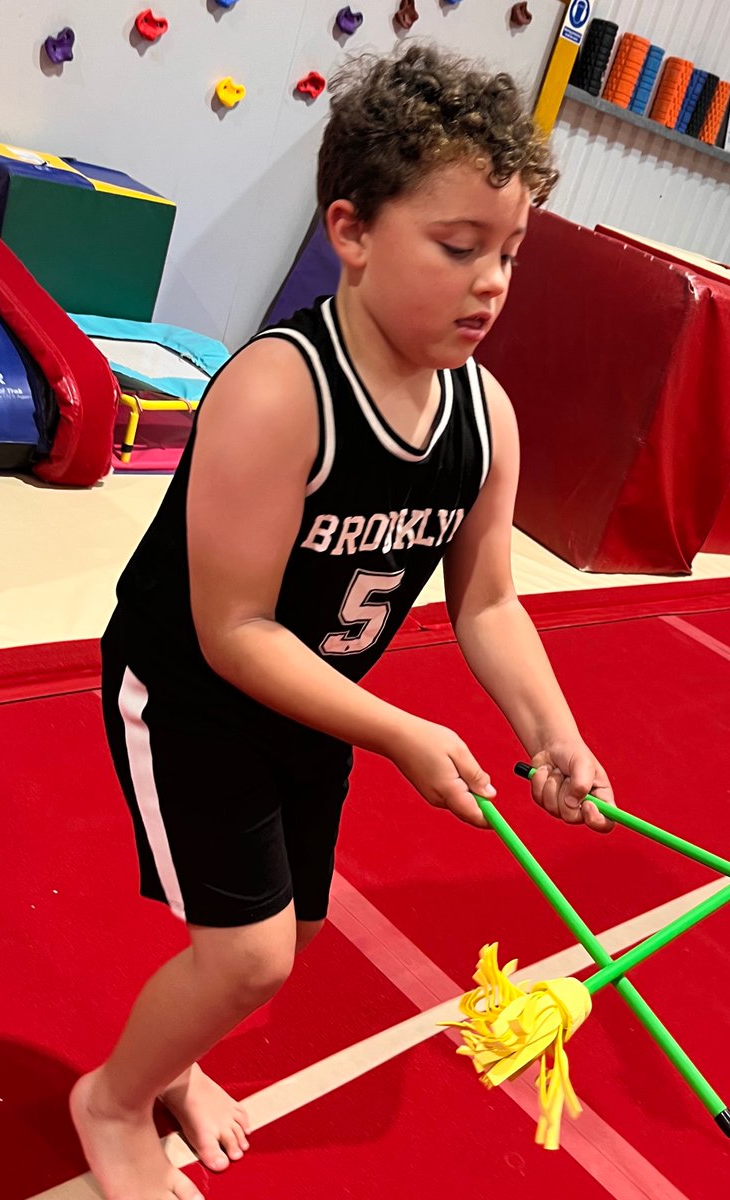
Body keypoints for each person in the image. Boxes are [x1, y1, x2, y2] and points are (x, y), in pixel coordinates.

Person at [70, 43, 615, 1200]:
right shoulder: (279, 392)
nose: (492, 283)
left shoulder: (485, 416)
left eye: (510, 253)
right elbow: (231, 630)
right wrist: (402, 732)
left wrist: (550, 731)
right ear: (352, 233)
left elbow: (490, 597)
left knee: (293, 938)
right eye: (459, 247)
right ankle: (113, 1101)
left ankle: (177, 1061)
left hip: (316, 697)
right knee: (252, 950)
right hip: (194, 688)